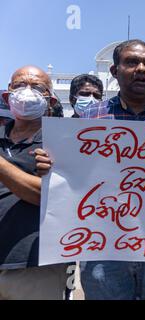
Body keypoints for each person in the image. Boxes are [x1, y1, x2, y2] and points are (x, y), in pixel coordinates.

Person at [35, 39, 145, 300]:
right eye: (132, 62)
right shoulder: (88, 118)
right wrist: (48, 166)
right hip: (103, 249)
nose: (142, 68)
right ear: (114, 72)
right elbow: (69, 177)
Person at [0, 66, 69, 300]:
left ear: (49, 101)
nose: (27, 92)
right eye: (19, 85)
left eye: (37, 87)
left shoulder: (64, 142)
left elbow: (46, 195)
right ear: (7, 95)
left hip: (33, 266)